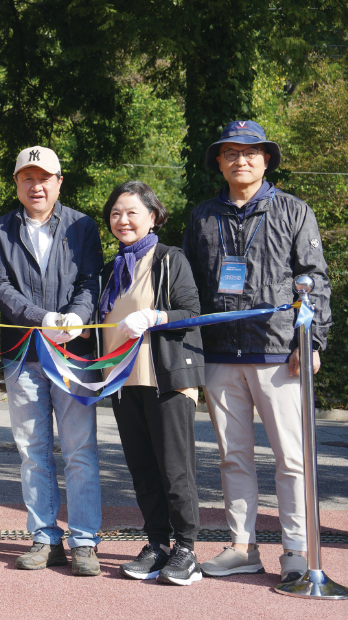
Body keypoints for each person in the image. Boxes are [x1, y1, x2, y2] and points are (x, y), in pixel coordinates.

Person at [183, 121, 332, 583]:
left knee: (291, 457)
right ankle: (242, 547)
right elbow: (188, 289)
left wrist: (314, 340)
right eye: (229, 153)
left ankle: (296, 552)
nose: (240, 160)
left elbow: (316, 279)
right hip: (221, 355)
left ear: (266, 160)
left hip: (278, 352)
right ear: (219, 163)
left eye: (250, 152)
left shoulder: (293, 210)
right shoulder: (203, 215)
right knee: (233, 458)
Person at [0, 146, 104, 576]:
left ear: (58, 182)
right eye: (27, 178)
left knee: (79, 450)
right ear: (16, 183)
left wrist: (76, 317)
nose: (36, 186)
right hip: (24, 354)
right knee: (33, 451)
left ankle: (85, 540)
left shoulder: (82, 226)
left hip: (73, 353)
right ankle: (44, 537)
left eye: (44, 178)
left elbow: (92, 279)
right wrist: (42, 319)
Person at [98, 181, 205, 586]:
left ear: (153, 216)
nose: (122, 220)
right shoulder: (112, 269)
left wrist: (156, 316)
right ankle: (157, 544)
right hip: (123, 383)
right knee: (142, 469)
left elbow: (190, 311)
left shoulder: (169, 259)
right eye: (115, 213)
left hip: (165, 380)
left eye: (131, 212)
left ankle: (187, 549)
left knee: (175, 469)